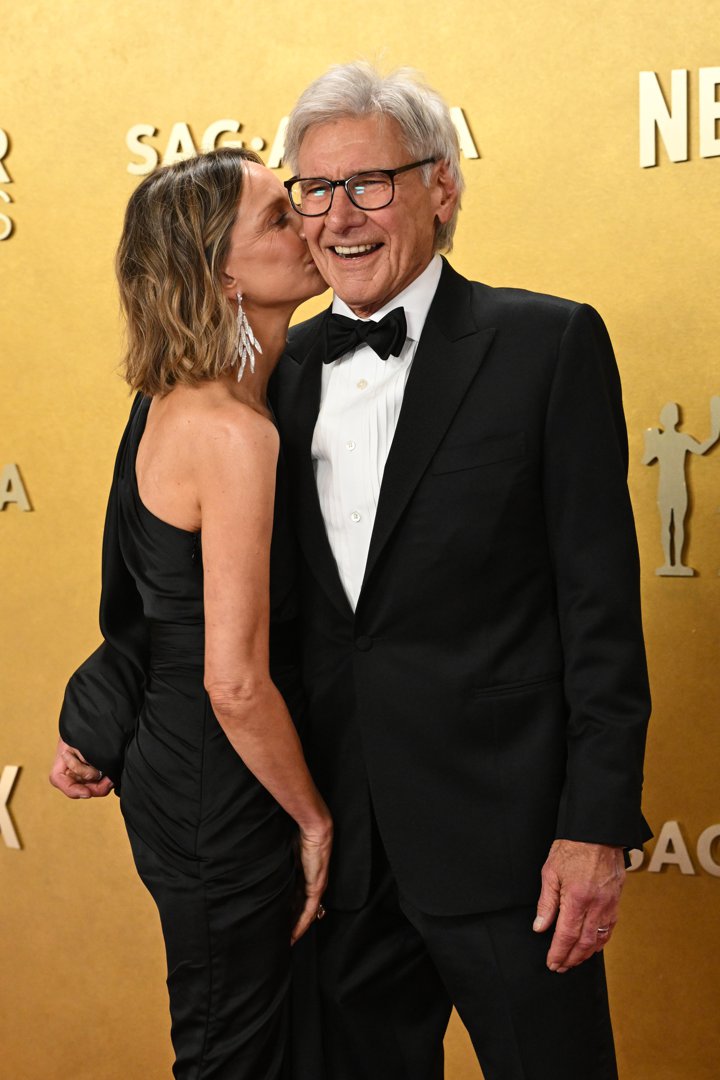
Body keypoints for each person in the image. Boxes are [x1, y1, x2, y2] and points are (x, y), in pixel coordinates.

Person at [268, 62, 652, 1079]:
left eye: (369, 184)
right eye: (315, 189)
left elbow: (600, 610)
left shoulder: (548, 344)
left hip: (515, 855)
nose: (338, 216)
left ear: (442, 189)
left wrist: (595, 830)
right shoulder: (270, 375)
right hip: (334, 866)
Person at [50, 147, 332, 1080]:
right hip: (226, 784)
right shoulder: (231, 432)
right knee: (233, 1059)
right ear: (221, 273)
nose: (310, 226)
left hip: (180, 770)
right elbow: (236, 681)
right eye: (279, 220)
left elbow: (139, 606)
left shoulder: (167, 404)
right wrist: (314, 819)